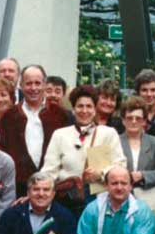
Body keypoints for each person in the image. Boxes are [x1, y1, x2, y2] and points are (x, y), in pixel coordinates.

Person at [43, 85, 126, 216]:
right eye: (80, 106)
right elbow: (49, 170)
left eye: (89, 106)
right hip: (67, 200)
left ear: (95, 110)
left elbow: (120, 165)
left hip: (99, 200)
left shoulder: (108, 133)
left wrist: (101, 174)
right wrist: (41, 191)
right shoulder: (60, 134)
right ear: (73, 109)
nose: (84, 110)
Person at [1, 64, 73, 196]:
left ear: (45, 85)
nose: (33, 88)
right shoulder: (9, 116)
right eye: (28, 83)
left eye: (37, 83)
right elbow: (1, 152)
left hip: (54, 189)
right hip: (18, 190)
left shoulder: (62, 115)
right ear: (20, 85)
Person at [120, 98, 155, 210]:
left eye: (138, 118)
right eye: (129, 118)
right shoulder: (114, 143)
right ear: (123, 120)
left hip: (149, 201)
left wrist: (142, 175)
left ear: (144, 121)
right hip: (119, 200)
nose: (134, 121)